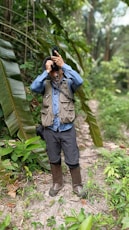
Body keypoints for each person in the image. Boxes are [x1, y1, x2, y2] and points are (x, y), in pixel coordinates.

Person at [30, 48, 86, 198]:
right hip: (50, 129)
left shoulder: (69, 83)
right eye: (52, 71)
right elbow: (33, 87)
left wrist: (63, 65)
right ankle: (57, 183)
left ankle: (77, 185)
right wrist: (46, 70)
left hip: (67, 128)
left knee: (72, 158)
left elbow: (80, 81)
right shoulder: (45, 85)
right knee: (53, 157)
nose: (55, 73)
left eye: (57, 69)